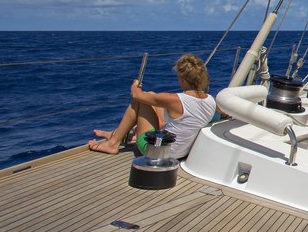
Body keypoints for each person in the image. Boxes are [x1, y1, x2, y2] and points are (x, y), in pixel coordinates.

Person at [89, 53, 217, 159]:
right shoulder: (211, 101)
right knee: (150, 96)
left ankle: (112, 143)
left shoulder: (175, 100)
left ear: (183, 79)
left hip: (159, 152)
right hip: (180, 151)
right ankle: (116, 134)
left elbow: (136, 95)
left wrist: (135, 86)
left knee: (141, 101)